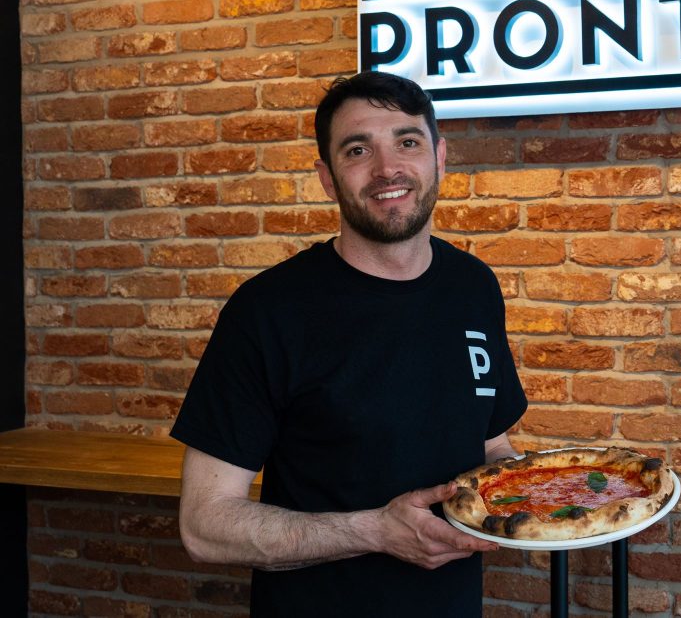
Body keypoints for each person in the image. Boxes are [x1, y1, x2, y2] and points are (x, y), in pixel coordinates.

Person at [171, 71, 528, 617]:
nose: (388, 169)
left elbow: (489, 444)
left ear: (439, 156)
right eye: (359, 149)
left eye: (407, 142)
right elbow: (204, 525)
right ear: (328, 178)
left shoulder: (473, 286)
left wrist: (550, 497)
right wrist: (375, 531)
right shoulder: (268, 310)